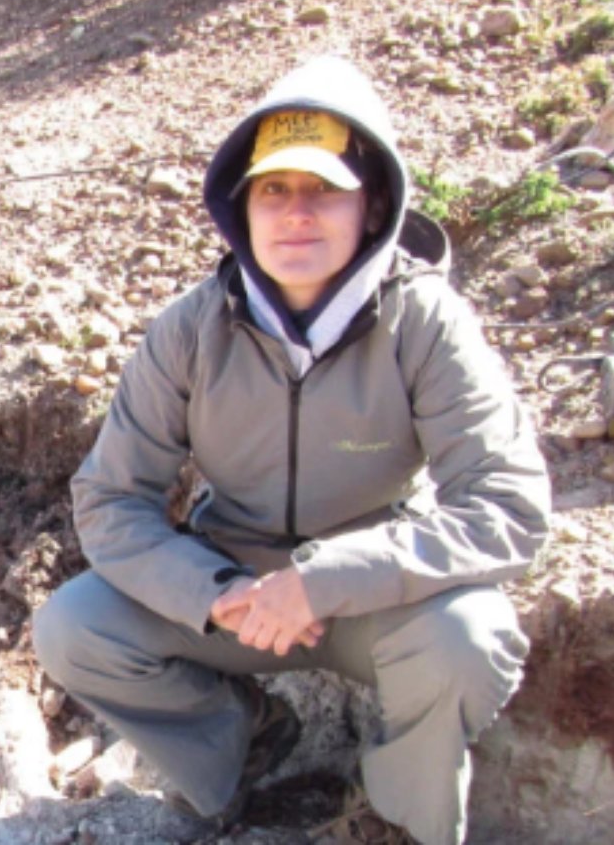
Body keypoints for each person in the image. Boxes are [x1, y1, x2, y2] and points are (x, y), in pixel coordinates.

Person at [31, 55, 550, 845]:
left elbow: (508, 509)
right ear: (241, 207)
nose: (296, 212)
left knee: (468, 641)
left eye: (324, 188)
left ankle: (396, 820)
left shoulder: (428, 323)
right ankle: (242, 746)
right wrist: (217, 589)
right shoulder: (189, 329)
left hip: (377, 592)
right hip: (235, 592)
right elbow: (110, 500)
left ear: (374, 204)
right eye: (274, 188)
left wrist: (327, 579)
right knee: (74, 628)